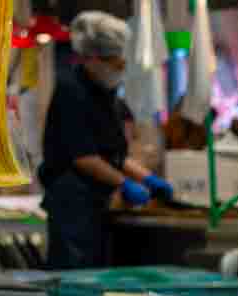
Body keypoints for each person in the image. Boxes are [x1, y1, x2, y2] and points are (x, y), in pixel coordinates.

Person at [39, 13, 173, 269]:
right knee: (75, 280)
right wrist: (125, 184)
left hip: (94, 204)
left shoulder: (104, 93)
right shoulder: (71, 91)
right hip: (72, 205)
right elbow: (84, 157)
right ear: (91, 58)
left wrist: (147, 179)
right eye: (115, 61)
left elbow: (113, 156)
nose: (120, 67)